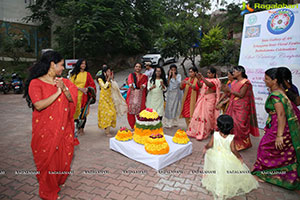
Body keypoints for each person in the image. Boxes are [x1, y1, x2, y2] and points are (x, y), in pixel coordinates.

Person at [23, 51, 78, 200]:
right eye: (61, 65)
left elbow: (73, 99)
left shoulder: (63, 81)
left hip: (63, 129)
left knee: (63, 158)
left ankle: (57, 182)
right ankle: (48, 192)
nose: (63, 68)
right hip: (45, 131)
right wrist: (57, 92)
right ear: (52, 64)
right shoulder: (36, 83)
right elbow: (39, 105)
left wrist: (64, 89)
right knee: (48, 161)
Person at [252, 68, 300, 190]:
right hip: (279, 124)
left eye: (267, 79)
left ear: (275, 80)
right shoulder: (280, 91)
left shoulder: (276, 96)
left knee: (265, 147)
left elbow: (281, 114)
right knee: (280, 151)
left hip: (279, 125)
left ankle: (264, 174)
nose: (264, 80)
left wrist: (279, 135)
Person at [202, 115, 259, 199]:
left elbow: (210, 144)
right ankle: (224, 188)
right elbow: (233, 150)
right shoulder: (230, 138)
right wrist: (239, 157)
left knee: (217, 172)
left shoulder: (215, 135)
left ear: (218, 126)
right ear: (231, 127)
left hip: (216, 156)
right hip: (227, 158)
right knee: (226, 173)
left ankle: (219, 189)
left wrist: (206, 148)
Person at [224, 65, 259, 151]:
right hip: (233, 105)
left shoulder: (246, 82)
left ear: (240, 72)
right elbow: (229, 94)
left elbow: (241, 95)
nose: (233, 73)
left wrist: (230, 91)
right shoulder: (233, 82)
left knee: (240, 125)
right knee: (232, 124)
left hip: (242, 107)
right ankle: (233, 142)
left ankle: (243, 144)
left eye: (235, 71)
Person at [187, 67, 221, 140]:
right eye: (207, 73)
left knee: (207, 116)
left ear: (213, 74)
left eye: (209, 73)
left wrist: (202, 78)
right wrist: (199, 80)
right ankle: (195, 132)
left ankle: (206, 132)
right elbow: (200, 86)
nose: (208, 74)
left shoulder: (216, 81)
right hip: (202, 99)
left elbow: (209, 85)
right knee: (197, 114)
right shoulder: (206, 80)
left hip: (210, 100)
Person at [70, 59, 96, 136]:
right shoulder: (74, 74)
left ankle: (82, 128)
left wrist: (88, 89)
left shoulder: (87, 74)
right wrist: (79, 88)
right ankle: (77, 128)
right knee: (75, 113)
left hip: (84, 97)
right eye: (82, 64)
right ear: (78, 64)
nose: (83, 65)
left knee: (83, 113)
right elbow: (71, 85)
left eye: (84, 64)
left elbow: (92, 84)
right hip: (75, 96)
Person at [126, 62, 148, 129]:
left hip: (140, 95)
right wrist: (130, 85)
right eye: (136, 66)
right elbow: (130, 81)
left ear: (141, 68)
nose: (137, 68)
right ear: (134, 67)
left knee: (140, 111)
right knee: (130, 111)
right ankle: (133, 126)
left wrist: (144, 85)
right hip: (132, 94)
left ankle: (140, 125)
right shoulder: (131, 75)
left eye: (139, 67)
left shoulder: (144, 76)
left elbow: (146, 82)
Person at [98, 66, 116, 136]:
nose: (109, 73)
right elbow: (104, 87)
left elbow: (114, 87)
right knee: (107, 114)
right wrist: (108, 79)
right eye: (108, 71)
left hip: (110, 99)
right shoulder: (100, 79)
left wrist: (112, 79)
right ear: (104, 73)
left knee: (112, 113)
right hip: (103, 100)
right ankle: (107, 132)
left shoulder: (110, 79)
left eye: (110, 71)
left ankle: (107, 127)